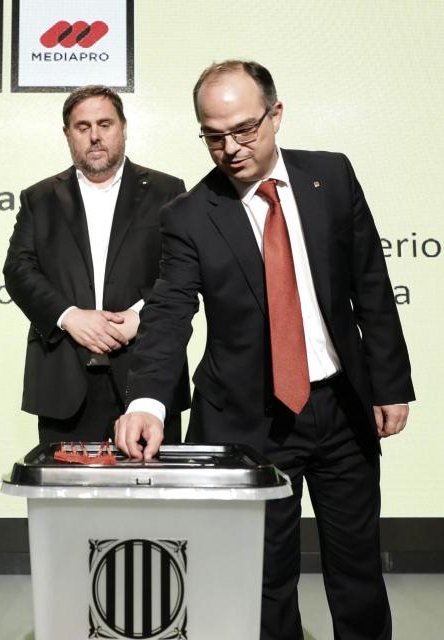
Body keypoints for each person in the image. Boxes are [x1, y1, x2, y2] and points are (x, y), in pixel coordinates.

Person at [115, 60, 413, 639]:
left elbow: (370, 284)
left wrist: (390, 384)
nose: (230, 149)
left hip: (342, 408)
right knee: (264, 580)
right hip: (251, 419)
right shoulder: (187, 216)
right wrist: (147, 401)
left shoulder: (331, 176)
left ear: (276, 115)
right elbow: (169, 311)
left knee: (357, 570)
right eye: (213, 136)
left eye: (244, 130)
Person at [3, 85, 190, 445]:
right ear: (67, 134)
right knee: (66, 483)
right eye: (82, 126)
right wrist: (68, 316)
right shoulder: (39, 198)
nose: (95, 136)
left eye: (105, 124)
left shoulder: (167, 191)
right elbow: (18, 270)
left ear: (124, 127)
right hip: (64, 380)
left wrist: (142, 315)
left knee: (152, 482)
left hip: (147, 373)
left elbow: (181, 270)